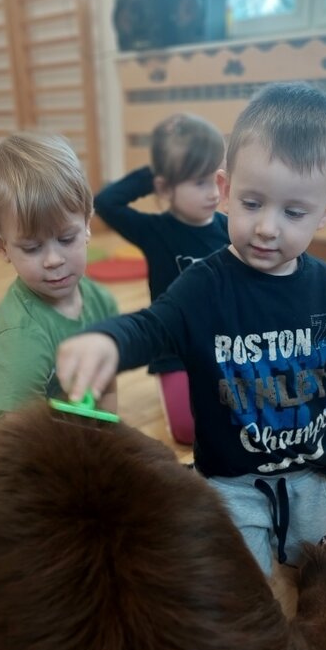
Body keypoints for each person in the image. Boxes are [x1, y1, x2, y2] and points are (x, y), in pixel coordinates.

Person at [57, 82, 326, 576]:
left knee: (315, 570)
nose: (267, 227)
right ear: (225, 189)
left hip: (313, 476)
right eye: (252, 202)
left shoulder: (325, 286)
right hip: (231, 483)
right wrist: (109, 339)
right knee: (242, 583)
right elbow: (154, 326)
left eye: (293, 212)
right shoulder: (204, 283)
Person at [0, 132, 119, 494]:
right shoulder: (20, 337)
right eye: (32, 247)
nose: (53, 259)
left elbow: (105, 387)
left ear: (87, 224)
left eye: (66, 239)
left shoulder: (101, 302)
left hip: (58, 440)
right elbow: (24, 441)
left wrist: (106, 448)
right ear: (2, 247)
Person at [94, 113, 229, 445]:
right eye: (199, 182)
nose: (213, 192)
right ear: (165, 187)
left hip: (224, 344)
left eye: (216, 178)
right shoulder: (154, 231)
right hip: (174, 348)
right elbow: (105, 203)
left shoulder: (229, 227)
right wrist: (158, 170)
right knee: (187, 431)